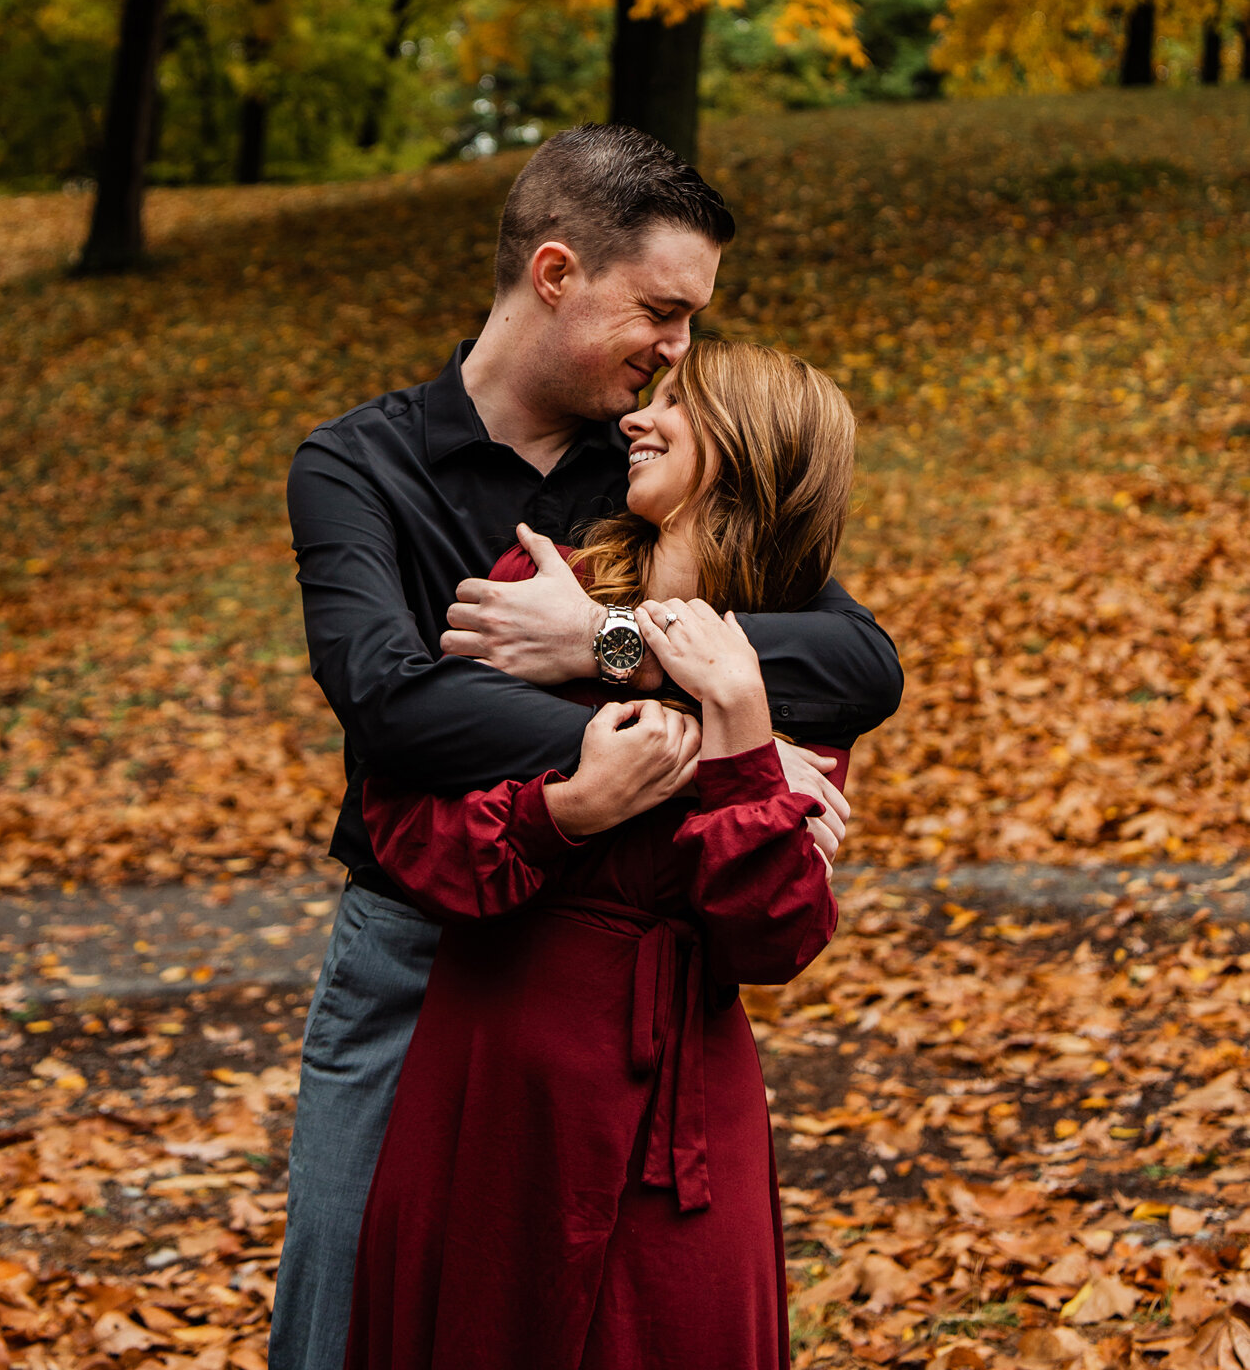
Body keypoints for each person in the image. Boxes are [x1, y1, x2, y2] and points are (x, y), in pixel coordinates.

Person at [270, 125, 902, 1370]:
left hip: (628, 974)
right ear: (555, 272)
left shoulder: (658, 461)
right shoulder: (360, 466)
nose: (678, 349)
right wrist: (709, 746)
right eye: (662, 309)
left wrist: (603, 640)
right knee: (346, 1311)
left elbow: (855, 664)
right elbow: (394, 707)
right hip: (419, 941)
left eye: (692, 321)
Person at [345, 341, 857, 1370]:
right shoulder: (534, 592)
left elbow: (772, 935)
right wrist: (565, 812)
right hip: (498, 1071)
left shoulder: (793, 659)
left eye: (679, 403)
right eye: (648, 395)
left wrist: (747, 731)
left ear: (752, 448)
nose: (638, 416)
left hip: (684, 1105)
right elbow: (405, 825)